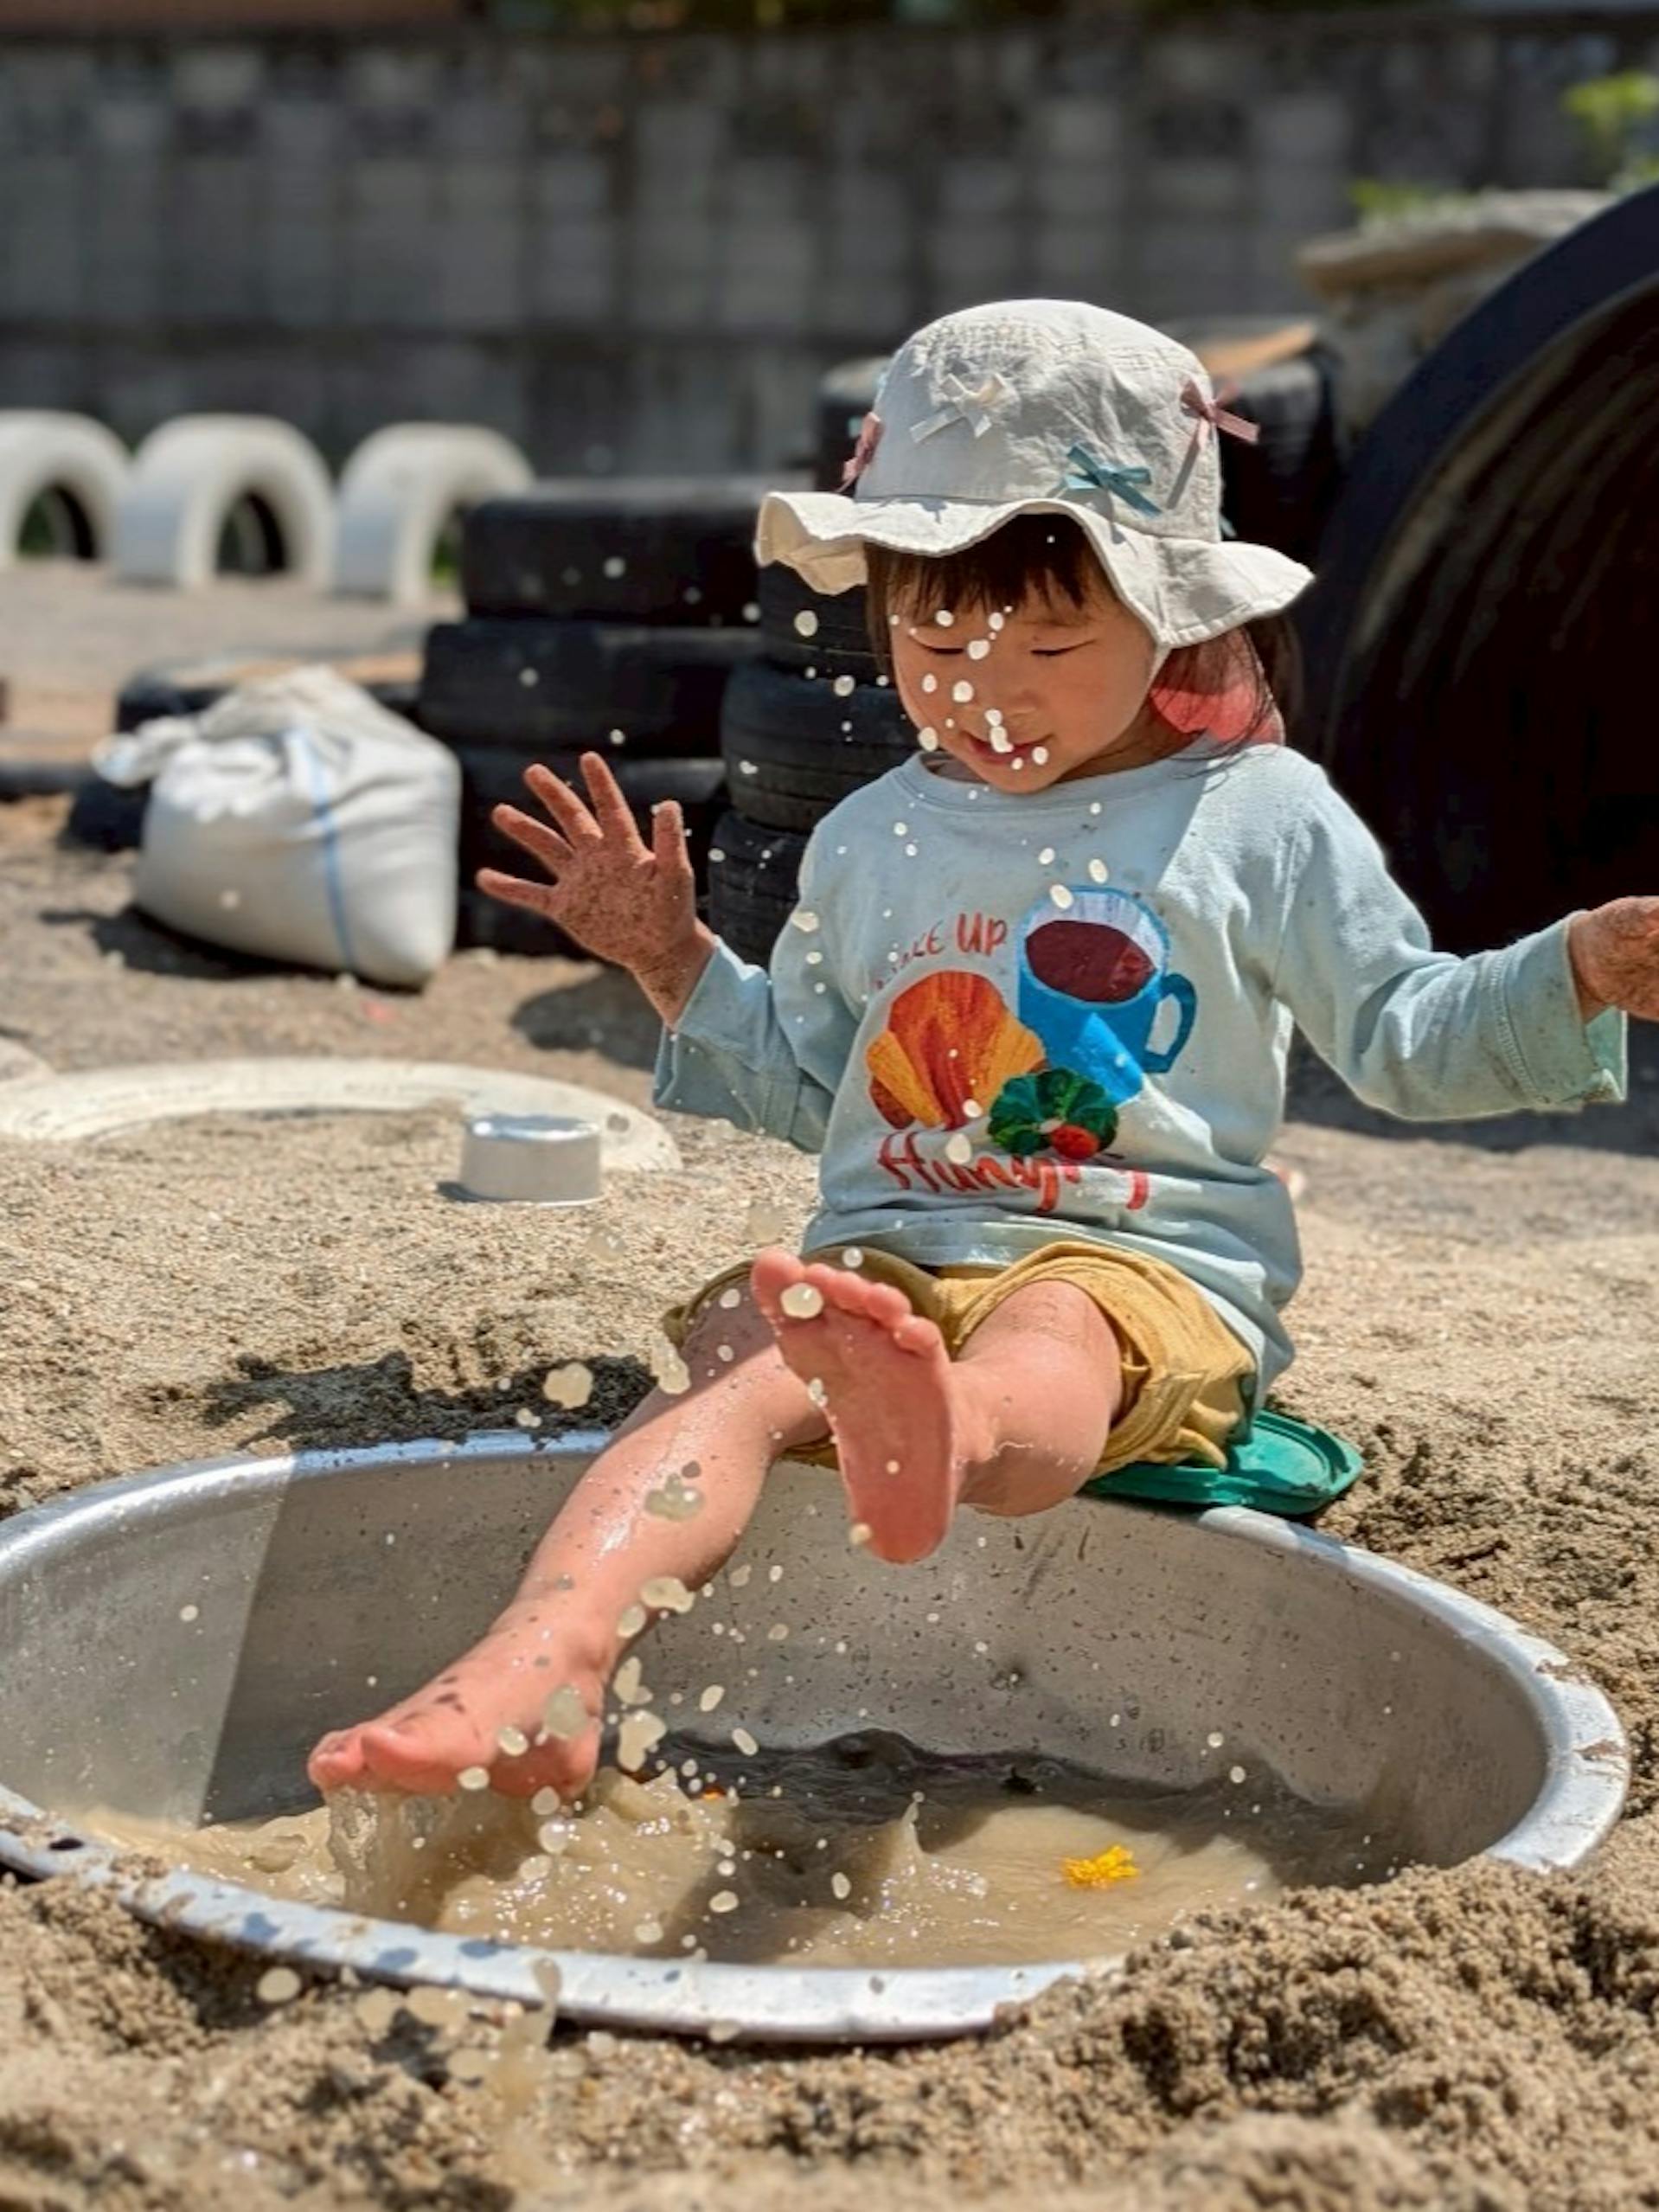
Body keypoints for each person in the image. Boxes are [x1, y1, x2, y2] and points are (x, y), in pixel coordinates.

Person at [311, 298, 1651, 1805]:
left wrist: (1579, 965)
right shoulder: (874, 833)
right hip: (885, 1251)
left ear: (1170, 617)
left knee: (1051, 1339)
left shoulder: (1255, 818)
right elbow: (815, 1085)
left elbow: (1408, 1041)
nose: (981, 687)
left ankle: (941, 1426)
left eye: (1052, 638)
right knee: (725, 1370)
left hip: (1136, 1263)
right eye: (931, 635)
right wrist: (672, 960)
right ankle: (537, 1664)